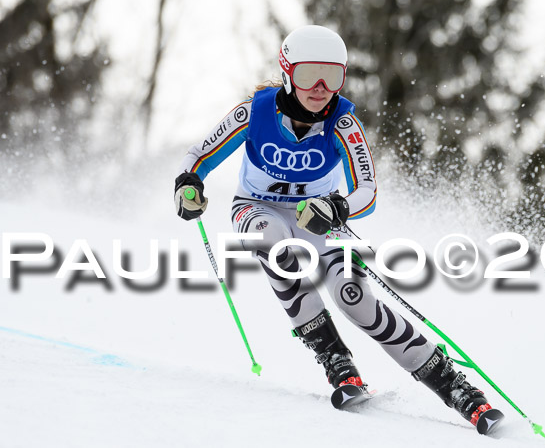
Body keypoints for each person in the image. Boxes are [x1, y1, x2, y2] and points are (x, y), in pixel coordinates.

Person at [174, 25, 499, 431]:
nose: (320, 87)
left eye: (333, 74)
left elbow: (368, 192)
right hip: (257, 207)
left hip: (318, 216)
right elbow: (198, 156)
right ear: (288, 72)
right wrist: (188, 185)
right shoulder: (253, 113)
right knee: (270, 240)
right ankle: (337, 361)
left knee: (353, 299)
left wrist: (337, 205)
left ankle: (455, 386)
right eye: (309, 74)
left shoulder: (343, 124)